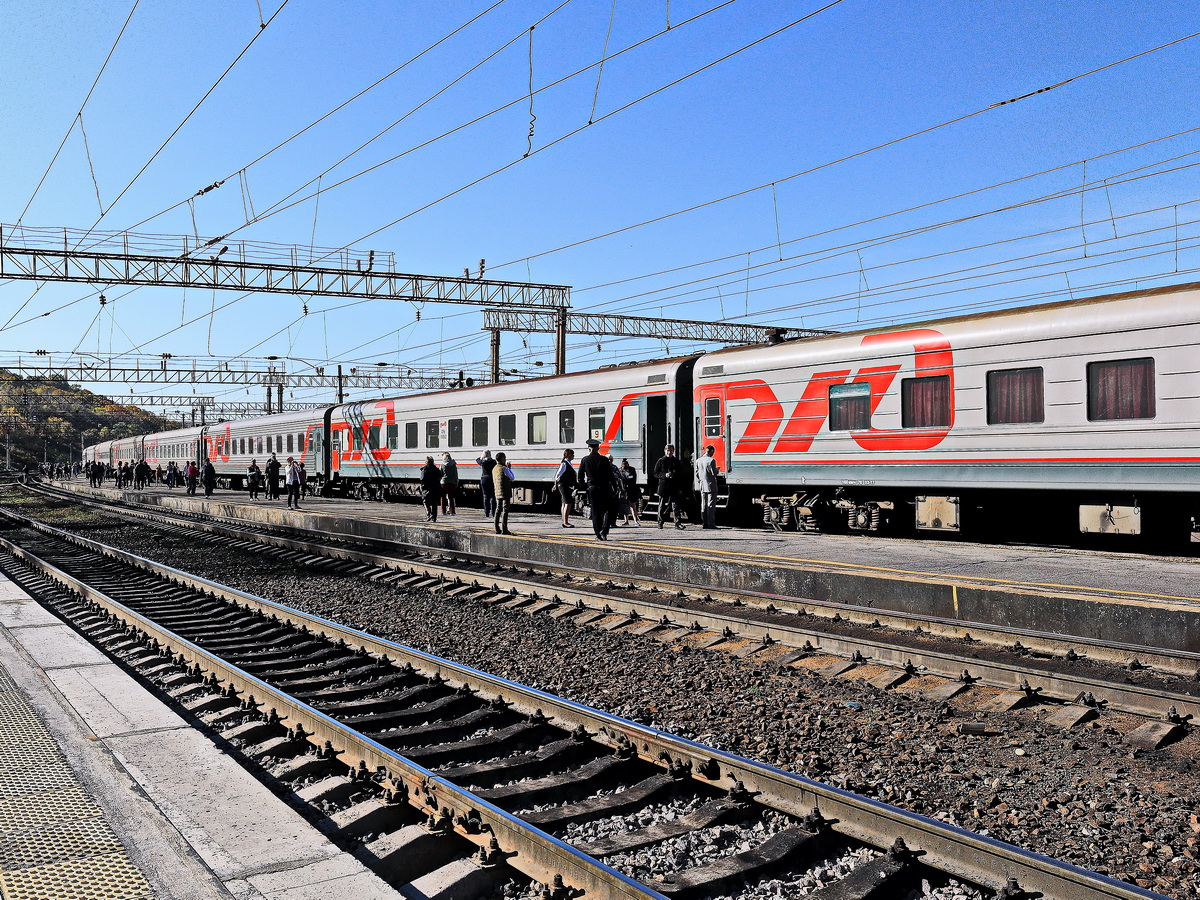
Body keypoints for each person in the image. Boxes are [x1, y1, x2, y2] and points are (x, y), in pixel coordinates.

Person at [579, 438, 616, 540]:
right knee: (607, 510)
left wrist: (585, 487)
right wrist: (615, 487)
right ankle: (605, 530)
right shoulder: (604, 460)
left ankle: (598, 534)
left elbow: (580, 477)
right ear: (598, 448)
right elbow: (610, 475)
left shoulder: (585, 460)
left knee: (595, 511)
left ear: (589, 449)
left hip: (592, 488)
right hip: (605, 487)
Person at [652, 444, 685, 529]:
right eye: (667, 450)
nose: (669, 452)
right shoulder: (661, 461)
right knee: (662, 505)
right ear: (665, 451)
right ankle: (660, 522)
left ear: (673, 451)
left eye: (670, 450)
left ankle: (677, 523)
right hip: (664, 486)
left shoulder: (676, 461)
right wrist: (664, 475)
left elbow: (680, 475)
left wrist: (680, 488)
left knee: (676, 506)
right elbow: (655, 473)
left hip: (674, 486)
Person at [694, 444, 719, 529]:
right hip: (711, 485)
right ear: (711, 451)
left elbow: (697, 474)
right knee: (711, 505)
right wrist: (717, 470)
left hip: (702, 485)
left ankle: (704, 523)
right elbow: (714, 473)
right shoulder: (711, 460)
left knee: (703, 504)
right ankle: (711, 523)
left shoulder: (698, 460)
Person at [554, 448, 577, 527]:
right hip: (564, 485)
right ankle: (565, 522)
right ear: (569, 455)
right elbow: (558, 475)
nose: (573, 456)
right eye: (572, 454)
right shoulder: (564, 464)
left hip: (565, 485)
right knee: (568, 503)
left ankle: (564, 520)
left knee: (564, 503)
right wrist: (555, 484)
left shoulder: (568, 463)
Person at [492, 451, 514, 534]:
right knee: (505, 510)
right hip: (505, 491)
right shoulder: (504, 468)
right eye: (504, 458)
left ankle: (497, 528)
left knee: (498, 510)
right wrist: (509, 469)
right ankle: (504, 529)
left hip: (497, 491)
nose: (505, 459)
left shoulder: (494, 469)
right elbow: (512, 477)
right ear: (501, 459)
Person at [618, 459, 642, 526]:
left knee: (633, 506)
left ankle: (635, 521)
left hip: (631, 489)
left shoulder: (631, 470)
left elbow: (633, 479)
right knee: (625, 506)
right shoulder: (620, 470)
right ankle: (626, 521)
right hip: (624, 490)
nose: (624, 466)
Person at [420, 455, 441, 522]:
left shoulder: (424, 470)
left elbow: (422, 479)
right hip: (435, 488)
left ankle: (429, 514)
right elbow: (440, 475)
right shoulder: (436, 469)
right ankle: (434, 517)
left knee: (426, 501)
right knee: (434, 503)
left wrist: (422, 486)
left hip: (427, 488)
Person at [477, 450, 497, 518]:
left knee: (486, 496)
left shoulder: (483, 462)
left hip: (484, 479)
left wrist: (481, 457)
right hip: (491, 478)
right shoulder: (493, 462)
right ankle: (493, 513)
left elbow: (477, 460)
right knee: (493, 496)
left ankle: (486, 513)